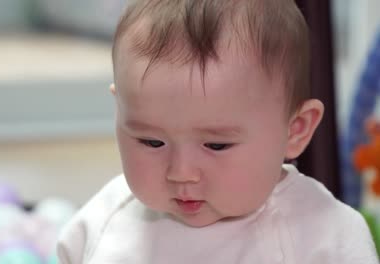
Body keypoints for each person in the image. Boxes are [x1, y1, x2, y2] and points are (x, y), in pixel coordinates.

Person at [57, 0, 379, 263]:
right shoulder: (104, 223)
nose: (182, 173)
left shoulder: (326, 237)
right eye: (152, 141)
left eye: (216, 145)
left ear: (295, 129)